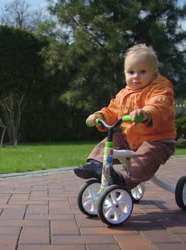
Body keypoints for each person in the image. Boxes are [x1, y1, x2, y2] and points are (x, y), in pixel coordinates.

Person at [74, 44, 176, 190]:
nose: (136, 76)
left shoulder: (161, 88)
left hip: (158, 140)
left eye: (142, 71)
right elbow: (113, 110)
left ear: (154, 72)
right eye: (131, 72)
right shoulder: (123, 94)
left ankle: (124, 180)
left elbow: (159, 104)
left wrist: (146, 113)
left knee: (144, 158)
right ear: (124, 73)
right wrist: (100, 115)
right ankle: (96, 164)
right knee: (111, 140)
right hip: (130, 139)